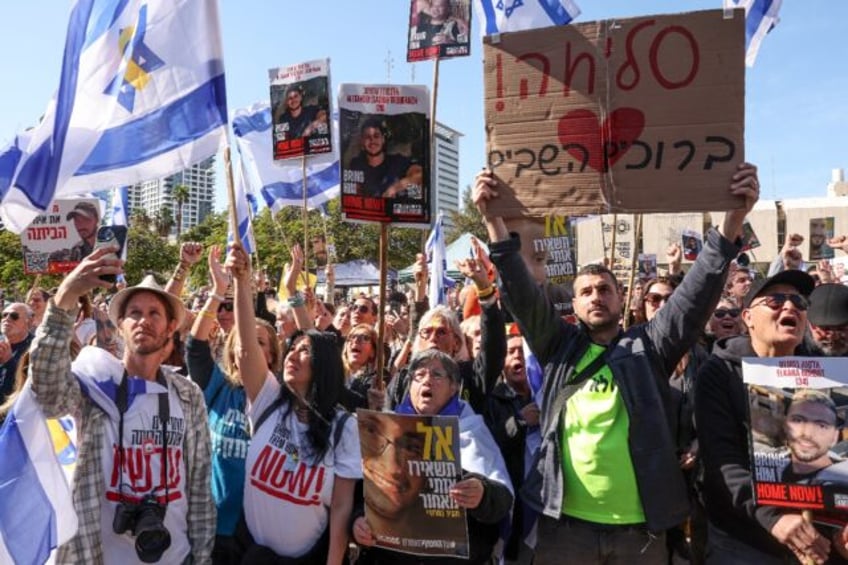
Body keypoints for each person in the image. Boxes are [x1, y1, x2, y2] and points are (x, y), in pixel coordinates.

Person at [473, 162, 759, 563]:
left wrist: (734, 218)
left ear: (620, 298)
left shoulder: (651, 347)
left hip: (639, 531)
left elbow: (695, 295)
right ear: (572, 305)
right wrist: (493, 222)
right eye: (585, 291)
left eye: (604, 289)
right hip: (564, 527)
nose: (595, 296)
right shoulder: (558, 347)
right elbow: (519, 290)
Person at [28, 248, 215, 562]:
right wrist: (66, 296)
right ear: (120, 326)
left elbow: (199, 487)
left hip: (176, 555)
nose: (144, 321)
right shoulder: (94, 384)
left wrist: (202, 556)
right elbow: (46, 391)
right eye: (135, 313)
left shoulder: (188, 395)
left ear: (170, 327)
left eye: (155, 313)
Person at [695, 269, 848, 563]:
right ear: (748, 317)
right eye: (776, 301)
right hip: (745, 540)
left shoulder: (825, 372)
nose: (790, 307)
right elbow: (722, 462)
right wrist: (774, 518)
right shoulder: (720, 372)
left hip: (817, 540)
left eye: (799, 302)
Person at [228, 244, 360, 564]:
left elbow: (342, 507)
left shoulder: (344, 427)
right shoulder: (270, 399)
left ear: (324, 366)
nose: (292, 355)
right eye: (292, 348)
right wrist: (242, 284)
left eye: (304, 351)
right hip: (250, 555)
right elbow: (246, 350)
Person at [352, 349, 514, 565]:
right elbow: (360, 495)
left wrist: (482, 493)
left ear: (454, 387)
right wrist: (357, 524)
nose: (427, 380)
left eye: (437, 375)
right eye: (419, 376)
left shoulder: (471, 430)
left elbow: (502, 500)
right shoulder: (386, 429)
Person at [185, 244, 283, 564]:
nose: (247, 347)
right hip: (209, 523)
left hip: (255, 529)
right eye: (242, 340)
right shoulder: (219, 386)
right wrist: (218, 290)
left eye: (259, 343)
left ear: (271, 355)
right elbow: (195, 346)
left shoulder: (276, 397)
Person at [483, 331, 541, 565]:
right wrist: (518, 422)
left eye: (523, 352)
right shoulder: (492, 399)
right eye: (510, 352)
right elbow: (487, 446)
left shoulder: (546, 396)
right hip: (512, 507)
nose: (518, 357)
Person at [780, 389, 848, 484]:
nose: (807, 434)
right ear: (785, 425)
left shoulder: (842, 483)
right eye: (798, 420)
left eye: (821, 426)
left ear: (835, 437)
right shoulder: (769, 464)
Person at [349, 118, 423, 199]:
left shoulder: (397, 161)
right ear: (362, 142)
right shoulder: (357, 164)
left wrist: (394, 189)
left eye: (376, 136)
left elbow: (420, 176)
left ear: (383, 139)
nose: (372, 140)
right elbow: (354, 191)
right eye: (367, 137)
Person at [0, 302, 34, 405]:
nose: (7, 318)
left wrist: (9, 362)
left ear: (28, 323)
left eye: (14, 316)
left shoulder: (34, 347)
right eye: (4, 315)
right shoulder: (1, 339)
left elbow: (30, 383)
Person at [807, 283, 848, 356]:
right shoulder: (793, 348)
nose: (834, 337)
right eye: (826, 329)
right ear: (811, 326)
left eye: (841, 329)